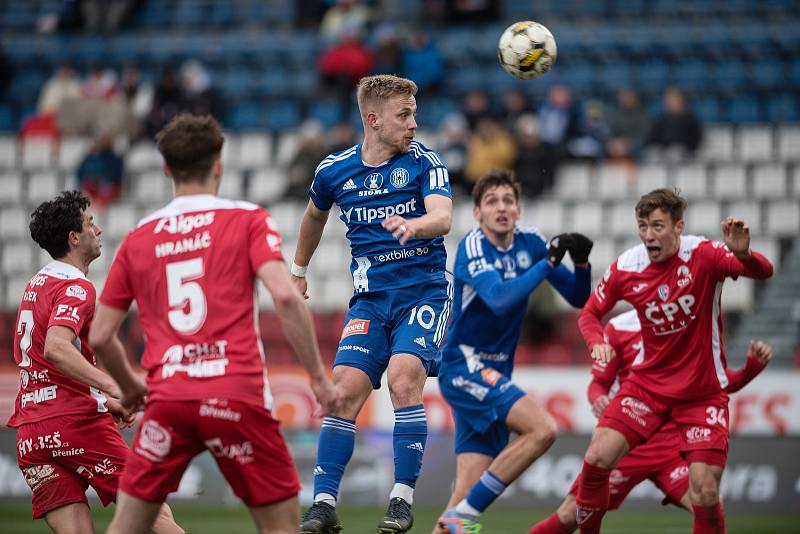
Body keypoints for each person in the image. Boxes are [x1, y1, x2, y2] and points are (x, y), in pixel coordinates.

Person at [88, 114, 338, 534]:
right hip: (235, 394)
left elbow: (99, 335)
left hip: (168, 400)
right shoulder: (247, 219)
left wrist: (132, 387)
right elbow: (283, 296)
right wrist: (317, 377)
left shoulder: (139, 237)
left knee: (127, 526)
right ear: (219, 163)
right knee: (280, 526)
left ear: (166, 168)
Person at [293, 74, 452, 534]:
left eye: (414, 114)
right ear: (373, 119)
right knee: (342, 392)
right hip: (370, 303)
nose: (413, 124)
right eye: (404, 115)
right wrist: (299, 270)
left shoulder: (426, 163)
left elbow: (442, 217)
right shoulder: (333, 171)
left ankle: (401, 500)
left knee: (404, 380)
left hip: (423, 293)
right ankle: (323, 505)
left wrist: (414, 225)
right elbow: (313, 216)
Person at [572, 188, 773, 533]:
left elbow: (763, 271)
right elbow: (590, 313)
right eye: (643, 226)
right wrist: (595, 344)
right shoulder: (626, 266)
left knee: (705, 492)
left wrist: (745, 254)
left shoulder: (705, 254)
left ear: (678, 227)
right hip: (648, 386)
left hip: (701, 393)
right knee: (596, 459)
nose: (649, 235)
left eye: (658, 226)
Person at [7, 191, 181, 534]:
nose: (98, 230)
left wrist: (104, 401)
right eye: (90, 224)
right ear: (75, 238)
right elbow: (57, 348)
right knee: (154, 514)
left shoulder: (36, 284)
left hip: (32, 434)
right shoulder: (77, 286)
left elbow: (46, 363)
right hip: (74, 423)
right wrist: (116, 386)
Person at [433, 170, 593, 534]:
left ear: (519, 210)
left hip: (496, 374)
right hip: (464, 367)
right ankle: (468, 514)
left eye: (508, 201)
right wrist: (549, 263)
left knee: (461, 495)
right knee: (543, 429)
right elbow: (500, 299)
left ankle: (461, 513)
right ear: (477, 214)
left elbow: (578, 297)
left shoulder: (531, 242)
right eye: (491, 202)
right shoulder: (473, 247)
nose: (501, 208)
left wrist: (581, 264)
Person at [529, 309, 773, 533]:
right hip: (626, 444)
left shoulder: (690, 322)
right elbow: (598, 383)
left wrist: (749, 370)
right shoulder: (619, 327)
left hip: (670, 445)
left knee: (708, 499)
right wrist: (599, 398)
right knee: (571, 514)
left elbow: (714, 383)